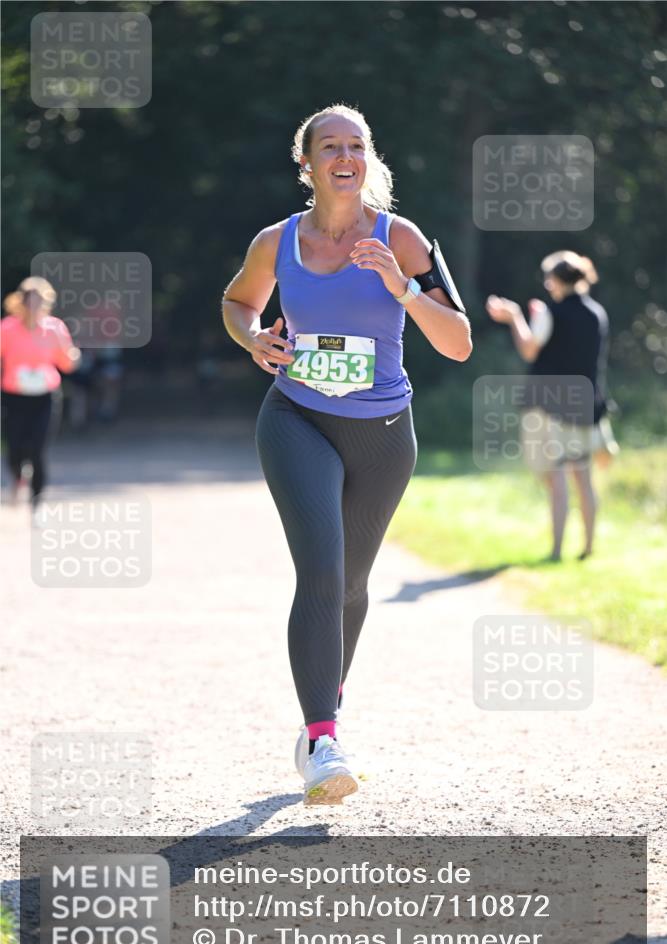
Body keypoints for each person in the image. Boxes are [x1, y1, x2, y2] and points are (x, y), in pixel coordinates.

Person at [222, 103, 471, 805]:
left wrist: (401, 289)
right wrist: (252, 339)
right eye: (328, 145)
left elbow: (457, 341)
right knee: (323, 572)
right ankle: (323, 739)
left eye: (355, 144)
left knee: (353, 586)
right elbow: (239, 303)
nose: (344, 155)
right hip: (296, 416)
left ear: (368, 159)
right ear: (306, 163)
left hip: (384, 433)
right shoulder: (277, 241)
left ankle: (321, 701)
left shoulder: (404, 239)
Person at [486, 250, 617, 562]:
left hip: (550, 406)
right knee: (583, 479)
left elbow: (530, 349)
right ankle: (587, 547)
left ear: (558, 280)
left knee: (556, 477)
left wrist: (516, 317)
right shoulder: (597, 313)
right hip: (586, 405)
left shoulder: (551, 313)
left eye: (550, 278)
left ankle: (557, 550)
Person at [1, 277, 80, 516]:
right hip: (14, 396)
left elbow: (67, 363)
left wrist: (73, 356)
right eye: (30, 300)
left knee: (38, 449)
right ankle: (18, 475)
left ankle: (37, 502)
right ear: (22, 302)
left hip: (44, 396)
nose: (34, 305)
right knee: (14, 449)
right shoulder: (7, 328)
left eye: (39, 300)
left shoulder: (54, 328)